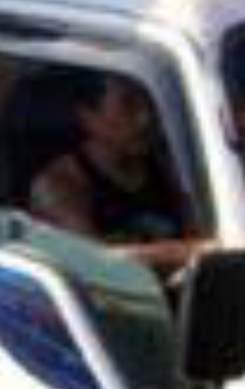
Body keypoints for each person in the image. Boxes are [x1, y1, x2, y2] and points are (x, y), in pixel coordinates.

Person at [27, 73, 210, 276]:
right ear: (88, 118)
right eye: (129, 106)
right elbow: (98, 261)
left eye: (150, 104)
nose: (146, 119)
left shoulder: (167, 163)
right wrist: (203, 251)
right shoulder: (58, 185)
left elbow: (202, 226)